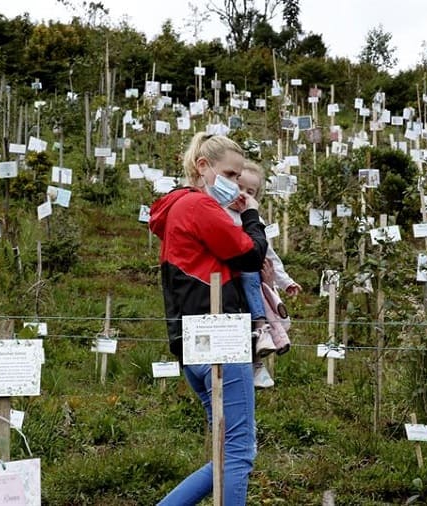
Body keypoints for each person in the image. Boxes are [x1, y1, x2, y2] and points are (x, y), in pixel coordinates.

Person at [149, 132, 267, 506]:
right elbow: (249, 254)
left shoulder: (175, 209)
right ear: (203, 166)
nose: (235, 184)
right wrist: (252, 216)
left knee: (225, 453)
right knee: (238, 452)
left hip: (192, 344)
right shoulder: (199, 206)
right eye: (230, 175)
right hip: (221, 339)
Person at [227, 161, 302, 388]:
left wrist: (285, 280)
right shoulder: (218, 212)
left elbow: (270, 256)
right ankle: (264, 338)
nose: (243, 195)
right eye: (239, 187)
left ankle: (261, 354)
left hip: (250, 281)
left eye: (250, 192)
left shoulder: (255, 221)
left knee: (260, 295)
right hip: (226, 281)